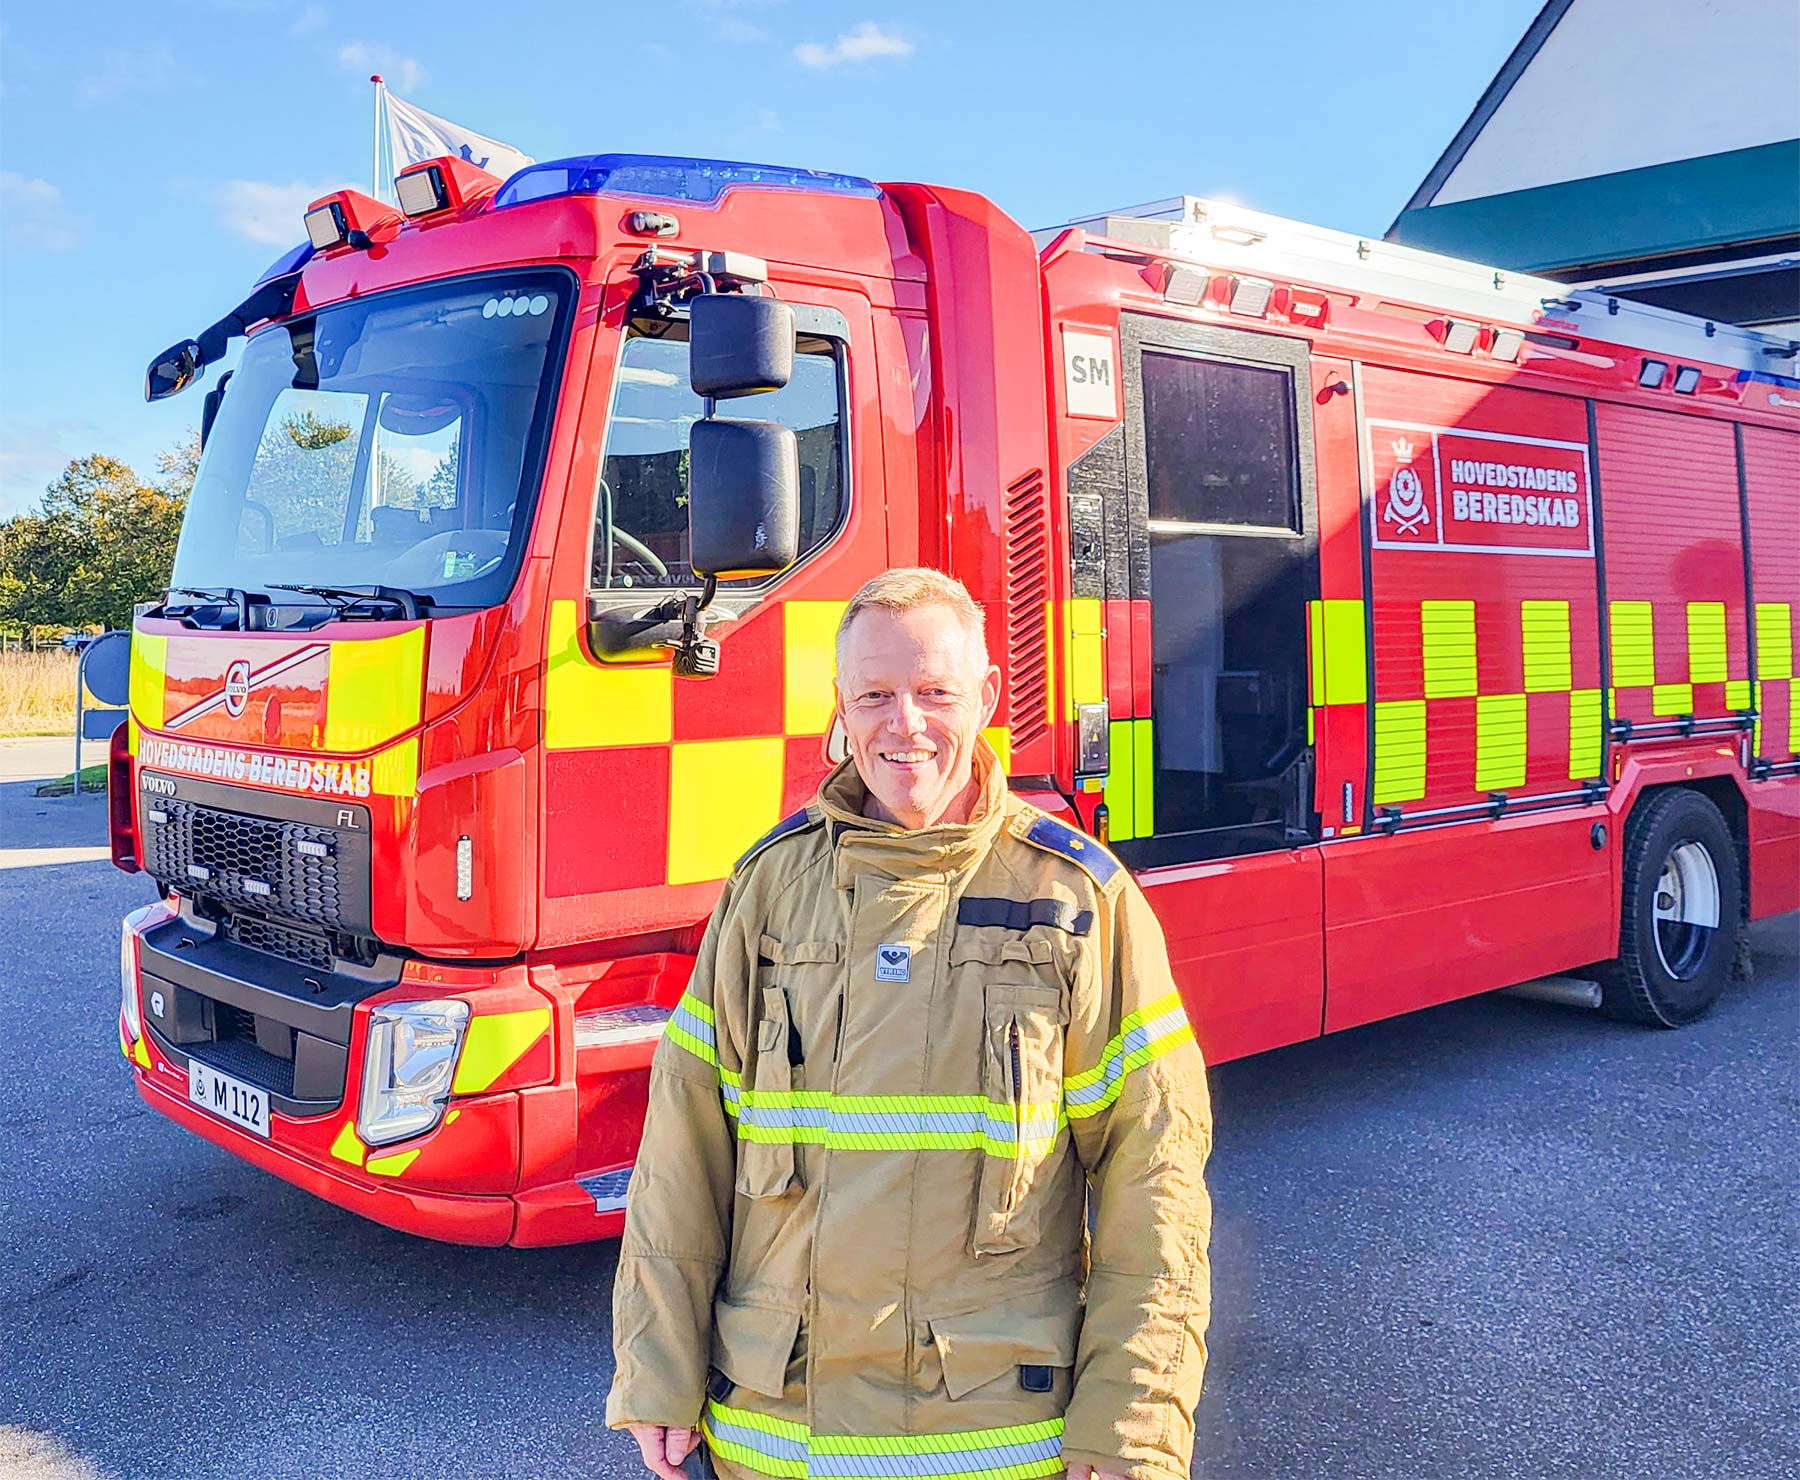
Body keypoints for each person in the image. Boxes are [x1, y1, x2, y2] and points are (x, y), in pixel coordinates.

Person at [607, 568, 1213, 1480]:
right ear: (841, 710)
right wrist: (657, 1370)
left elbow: (1154, 1179)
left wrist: (1131, 1422)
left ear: (989, 696)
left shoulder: (1076, 898)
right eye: (876, 696)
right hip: (778, 1435)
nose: (907, 724)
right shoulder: (768, 888)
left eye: (935, 692)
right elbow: (683, 1151)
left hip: (991, 1439)